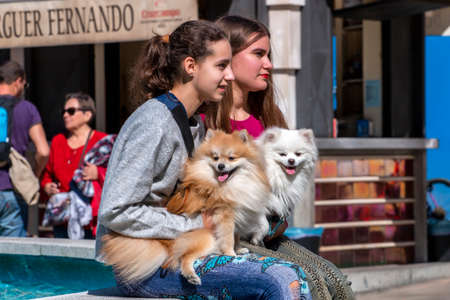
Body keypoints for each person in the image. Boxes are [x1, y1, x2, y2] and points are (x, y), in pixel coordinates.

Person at [96, 20, 312, 299]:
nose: (230, 76)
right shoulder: (154, 122)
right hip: (148, 266)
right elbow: (115, 211)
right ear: (190, 66)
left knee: (309, 272)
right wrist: (198, 225)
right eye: (221, 66)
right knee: (281, 279)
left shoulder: (192, 124)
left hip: (180, 249)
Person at [203, 16, 355, 299]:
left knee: (337, 283)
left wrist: (277, 218)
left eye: (268, 55)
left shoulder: (268, 120)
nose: (269, 64)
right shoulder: (204, 124)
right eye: (259, 54)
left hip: (272, 235)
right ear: (226, 57)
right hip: (228, 240)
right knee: (310, 284)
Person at [41, 92, 107, 238]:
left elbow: (119, 175)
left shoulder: (102, 141)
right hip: (62, 218)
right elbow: (47, 175)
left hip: (90, 220)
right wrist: (47, 186)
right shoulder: (58, 141)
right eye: (63, 111)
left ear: (87, 115)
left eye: (71, 111)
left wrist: (98, 173)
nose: (65, 115)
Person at [0, 60, 49, 237]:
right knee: (12, 257)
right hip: (11, 189)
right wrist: (34, 173)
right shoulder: (27, 109)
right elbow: (43, 151)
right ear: (18, 81)